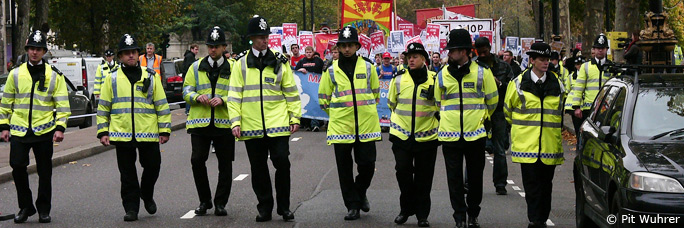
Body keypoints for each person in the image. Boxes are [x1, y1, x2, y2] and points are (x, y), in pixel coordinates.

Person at [227, 15, 301, 222]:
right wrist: (235, 121)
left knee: (282, 163)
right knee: (258, 169)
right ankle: (265, 207)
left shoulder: (279, 60)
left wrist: (294, 117)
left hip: (278, 123)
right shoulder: (240, 64)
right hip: (251, 126)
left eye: (266, 36)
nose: (264, 40)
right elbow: (233, 96)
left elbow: (291, 91)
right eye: (259, 37)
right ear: (251, 38)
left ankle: (284, 207)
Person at [97, 34, 171, 221]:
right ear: (120, 56)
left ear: (138, 54)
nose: (130, 55)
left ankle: (146, 193)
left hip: (148, 132)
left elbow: (161, 104)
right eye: (126, 53)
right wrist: (103, 131)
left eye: (133, 52)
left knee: (153, 166)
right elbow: (104, 106)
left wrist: (164, 130)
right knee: (127, 174)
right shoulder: (111, 78)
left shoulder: (151, 77)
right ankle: (131, 208)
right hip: (122, 133)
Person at [0, 30, 71, 224]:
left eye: (38, 49)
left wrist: (60, 128)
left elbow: (63, 105)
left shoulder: (54, 76)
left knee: (45, 171)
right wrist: (4, 126)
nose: (34, 52)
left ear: (44, 52)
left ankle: (43, 209)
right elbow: (6, 103)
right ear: (27, 49)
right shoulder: (15, 74)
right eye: (32, 48)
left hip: (44, 129)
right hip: (19, 130)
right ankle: (26, 206)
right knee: (17, 166)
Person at [435, 29, 498, 228]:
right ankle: (459, 216)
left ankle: (473, 213)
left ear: (464, 51)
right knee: (454, 180)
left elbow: (492, 100)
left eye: (452, 50)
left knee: (475, 178)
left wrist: (481, 118)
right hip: (450, 134)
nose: (448, 54)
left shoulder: (482, 72)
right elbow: (439, 102)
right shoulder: (442, 74)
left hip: (475, 135)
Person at [318, 25, 381, 221]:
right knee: (344, 170)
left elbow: (376, 95)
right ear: (338, 47)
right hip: (341, 128)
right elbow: (323, 99)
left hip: (366, 126)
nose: (346, 49)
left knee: (368, 165)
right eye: (343, 45)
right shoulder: (331, 71)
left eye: (350, 45)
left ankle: (360, 192)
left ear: (357, 46)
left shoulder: (369, 67)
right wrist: (339, 114)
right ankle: (352, 205)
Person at [504, 42, 566, 228]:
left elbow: (560, 112)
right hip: (527, 146)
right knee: (531, 186)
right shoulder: (518, 84)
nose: (546, 63)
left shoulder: (557, 84)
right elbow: (508, 110)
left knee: (546, 185)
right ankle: (535, 220)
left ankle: (542, 218)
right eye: (542, 59)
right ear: (532, 61)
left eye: (547, 59)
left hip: (549, 145)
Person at [183, 26, 235, 217]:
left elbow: (239, 93)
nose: (213, 50)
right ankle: (204, 201)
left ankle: (220, 202)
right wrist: (197, 97)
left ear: (224, 47)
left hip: (224, 123)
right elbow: (186, 91)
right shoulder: (195, 67)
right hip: (200, 123)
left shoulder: (233, 68)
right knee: (197, 160)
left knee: (225, 164)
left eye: (217, 46)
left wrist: (224, 100)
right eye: (210, 46)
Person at [388, 42, 439, 227]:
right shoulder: (399, 78)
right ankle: (406, 208)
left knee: (424, 178)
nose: (410, 59)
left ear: (424, 59)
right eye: (408, 57)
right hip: (401, 136)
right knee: (402, 172)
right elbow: (391, 103)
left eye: (415, 56)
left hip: (427, 137)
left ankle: (422, 215)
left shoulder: (434, 80)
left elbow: (439, 107)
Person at [473, 37, 513, 196]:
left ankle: (500, 183)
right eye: (479, 52)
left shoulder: (503, 66)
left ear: (490, 49)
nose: (482, 55)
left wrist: (498, 84)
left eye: (485, 51)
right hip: (479, 111)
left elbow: (511, 89)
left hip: (498, 112)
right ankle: (470, 182)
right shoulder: (473, 66)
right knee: (474, 148)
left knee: (499, 149)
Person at [566, 33, 613, 142]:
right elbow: (579, 87)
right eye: (597, 48)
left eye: (602, 48)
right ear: (594, 49)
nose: (600, 50)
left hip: (606, 109)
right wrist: (576, 107)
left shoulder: (611, 67)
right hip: (589, 109)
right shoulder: (586, 66)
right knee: (587, 139)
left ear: (606, 49)